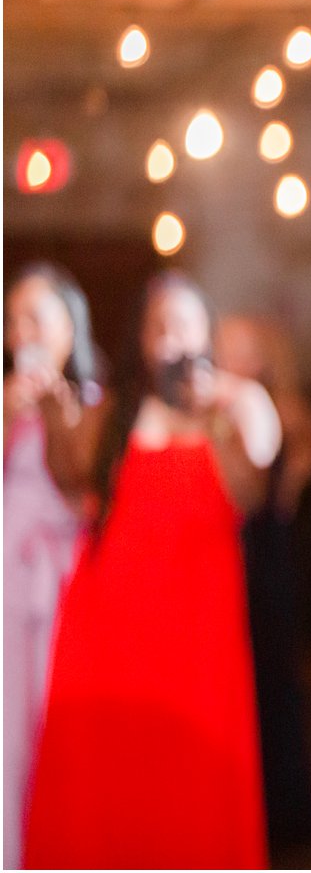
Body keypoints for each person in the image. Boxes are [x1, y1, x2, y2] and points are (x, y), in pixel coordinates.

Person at [24, 271, 280, 869]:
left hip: (197, 627)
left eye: (184, 323)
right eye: (159, 325)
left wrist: (233, 396)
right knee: (109, 786)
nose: (171, 337)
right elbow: (71, 483)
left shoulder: (227, 414)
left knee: (192, 779)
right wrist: (55, 418)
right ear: (141, 338)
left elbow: (259, 470)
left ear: (206, 334)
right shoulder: (115, 418)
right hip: (110, 624)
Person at [2, 263, 106, 869]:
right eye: (13, 321)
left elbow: (87, 492)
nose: (23, 332)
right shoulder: (5, 399)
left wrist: (58, 414)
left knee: (61, 727)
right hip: (7, 573)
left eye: (35, 317)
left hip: (71, 573)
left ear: (71, 325)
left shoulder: (94, 404)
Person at [216, 314, 311, 852]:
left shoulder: (275, 414)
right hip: (246, 558)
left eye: (237, 348)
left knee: (272, 679)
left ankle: (279, 810)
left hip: (268, 560)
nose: (225, 358)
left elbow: (282, 498)